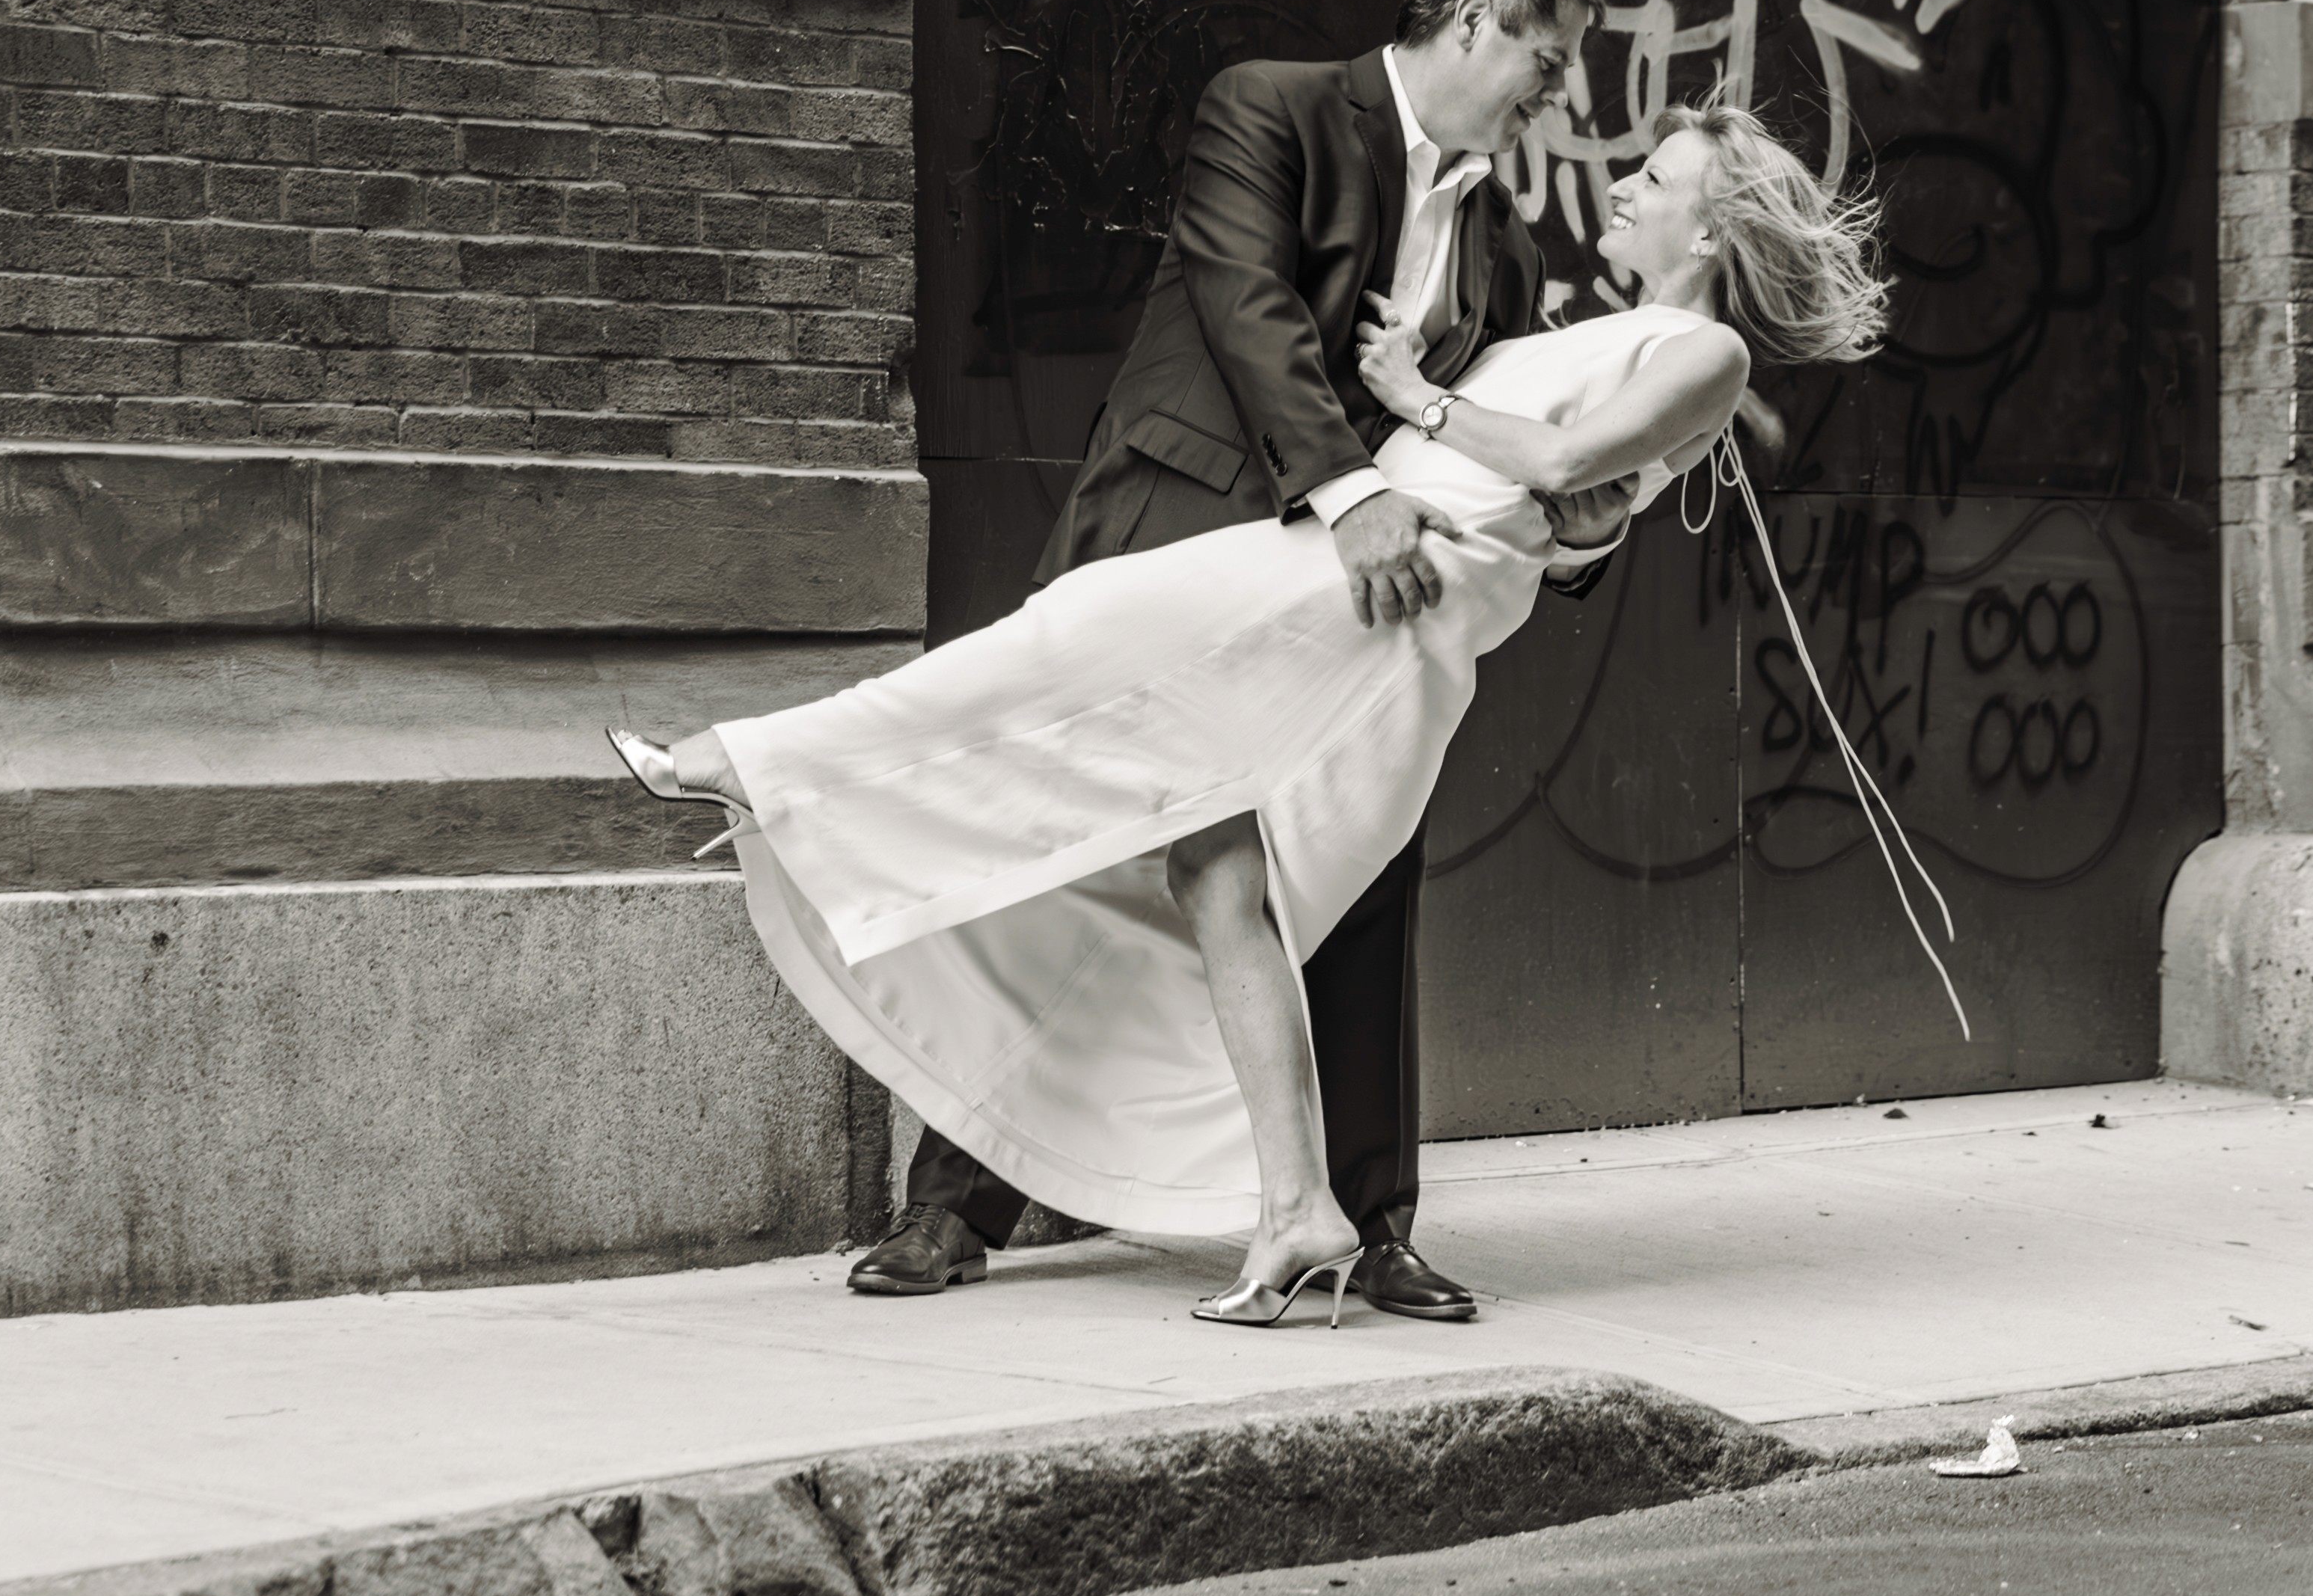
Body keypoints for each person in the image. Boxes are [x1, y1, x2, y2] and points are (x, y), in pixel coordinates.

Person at [612, 94, 1890, 1327]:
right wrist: (1521, 483)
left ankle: (749, 762)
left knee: (1074, 653)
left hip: (1358, 616)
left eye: (1654, 178)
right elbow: (1529, 476)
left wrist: (1422, 397)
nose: (1616, 178)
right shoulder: (1369, 180)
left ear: (1711, 229)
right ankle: (1293, 1213)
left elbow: (1554, 474)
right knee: (1218, 877)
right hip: (1316, 570)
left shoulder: (1690, 344)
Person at [863, 0, 1607, 1319]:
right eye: (1549, 58)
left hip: (1361, 607)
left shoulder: (1502, 245)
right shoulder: (1267, 110)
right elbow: (1245, 303)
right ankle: (950, 1207)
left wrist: (1565, 540)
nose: (1557, 95)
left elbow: (1492, 435)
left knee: (1369, 868)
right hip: (1182, 536)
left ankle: (1370, 1220)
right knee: (1074, 855)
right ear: (1472, 21)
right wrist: (1346, 489)